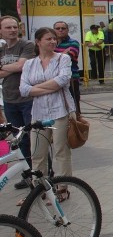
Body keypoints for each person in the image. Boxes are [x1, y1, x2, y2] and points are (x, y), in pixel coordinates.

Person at [19, 27, 75, 182]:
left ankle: (63, 186)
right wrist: (48, 87)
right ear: (38, 42)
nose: (53, 41)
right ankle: (39, 188)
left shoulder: (62, 59)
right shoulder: (29, 64)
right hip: (39, 113)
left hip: (60, 110)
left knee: (61, 150)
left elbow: (62, 81)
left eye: (54, 38)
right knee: (37, 152)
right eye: (48, 39)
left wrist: (34, 89)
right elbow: (23, 90)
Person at [0, 15, 35, 188]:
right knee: (18, 140)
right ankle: (27, 175)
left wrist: (5, 67)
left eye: (15, 27)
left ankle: (43, 173)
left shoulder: (26, 45)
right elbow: (13, 68)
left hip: (27, 98)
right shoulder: (2, 50)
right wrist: (12, 68)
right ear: (1, 31)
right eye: (8, 28)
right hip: (9, 99)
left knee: (33, 137)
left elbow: (22, 66)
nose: (12, 30)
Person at [53, 21, 81, 111]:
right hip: (54, 78)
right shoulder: (51, 43)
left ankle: (77, 124)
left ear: (68, 30)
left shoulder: (74, 43)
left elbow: (67, 58)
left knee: (74, 107)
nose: (60, 30)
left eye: (63, 28)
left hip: (71, 78)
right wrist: (62, 54)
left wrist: (52, 56)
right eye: (58, 28)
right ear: (53, 30)